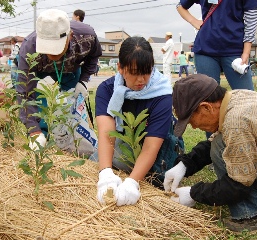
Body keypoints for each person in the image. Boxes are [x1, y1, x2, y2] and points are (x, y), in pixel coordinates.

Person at [164, 74, 257, 233]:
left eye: (191, 120)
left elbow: (238, 185)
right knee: (220, 144)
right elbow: (217, 142)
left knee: (221, 148)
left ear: (207, 107)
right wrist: (185, 165)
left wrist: (194, 194)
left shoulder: (236, 122)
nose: (193, 127)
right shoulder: (234, 99)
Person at [91, 36, 173, 207]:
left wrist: (132, 182)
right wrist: (106, 172)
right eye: (135, 73)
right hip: (125, 143)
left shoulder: (162, 94)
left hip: (157, 149)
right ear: (120, 68)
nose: (141, 80)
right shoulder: (107, 90)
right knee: (96, 161)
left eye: (147, 72)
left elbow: (151, 146)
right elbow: (107, 134)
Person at [16, 9, 102, 150]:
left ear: (70, 36)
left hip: (70, 71)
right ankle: (42, 139)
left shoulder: (87, 37)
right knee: (40, 107)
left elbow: (94, 57)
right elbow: (25, 93)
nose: (51, 53)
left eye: (56, 48)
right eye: (47, 48)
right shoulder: (29, 48)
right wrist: (33, 131)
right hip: (40, 72)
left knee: (72, 106)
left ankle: (71, 141)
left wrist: (83, 81)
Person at [176, 0, 257, 90]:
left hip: (235, 51)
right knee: (208, 96)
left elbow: (251, 21)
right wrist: (194, 21)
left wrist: (246, 52)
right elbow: (180, 6)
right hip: (205, 50)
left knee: (247, 97)